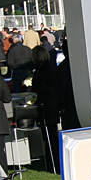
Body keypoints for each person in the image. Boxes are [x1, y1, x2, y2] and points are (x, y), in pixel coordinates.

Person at [30, 45, 60, 173]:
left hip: (47, 106)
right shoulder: (45, 68)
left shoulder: (44, 70)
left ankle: (53, 163)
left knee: (50, 136)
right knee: (49, 136)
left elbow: (46, 88)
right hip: (49, 106)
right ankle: (51, 162)